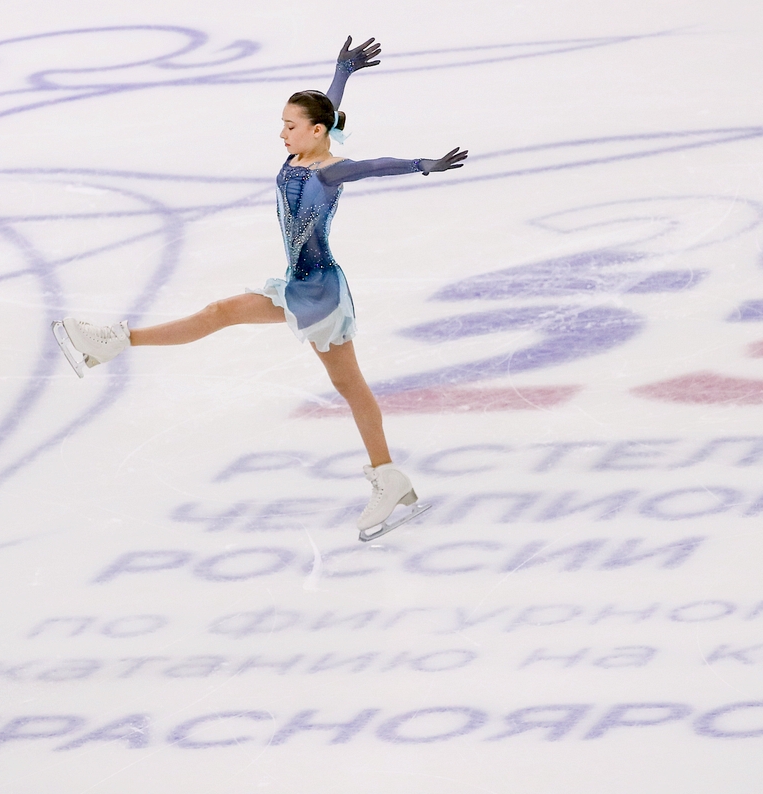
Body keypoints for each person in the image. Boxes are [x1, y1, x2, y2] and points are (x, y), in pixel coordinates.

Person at [54, 36, 467, 541]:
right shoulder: (309, 145)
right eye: (283, 124)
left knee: (247, 327)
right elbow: (328, 110)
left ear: (315, 132)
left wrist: (421, 164)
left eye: (290, 126)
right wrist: (343, 71)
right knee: (323, 371)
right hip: (301, 282)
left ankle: (113, 343)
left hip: (318, 292)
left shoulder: (331, 170)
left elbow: (374, 166)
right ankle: (389, 476)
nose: (282, 133)